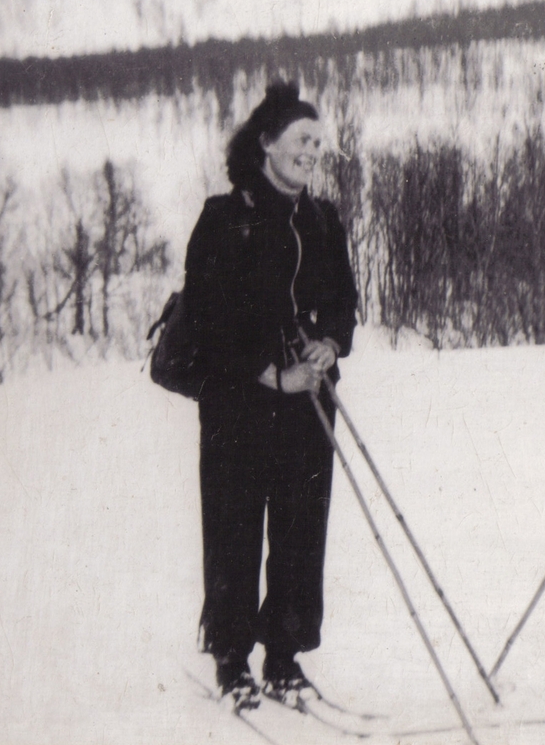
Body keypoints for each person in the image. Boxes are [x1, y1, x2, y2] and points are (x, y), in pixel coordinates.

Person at [181, 81, 358, 709]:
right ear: (265, 143)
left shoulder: (323, 218)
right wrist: (267, 372)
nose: (313, 151)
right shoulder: (224, 218)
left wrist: (329, 345)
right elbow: (208, 320)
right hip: (238, 406)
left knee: (300, 528)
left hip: (309, 403)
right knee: (234, 528)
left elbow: (343, 302)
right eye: (302, 140)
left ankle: (283, 658)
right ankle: (232, 662)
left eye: (319, 142)